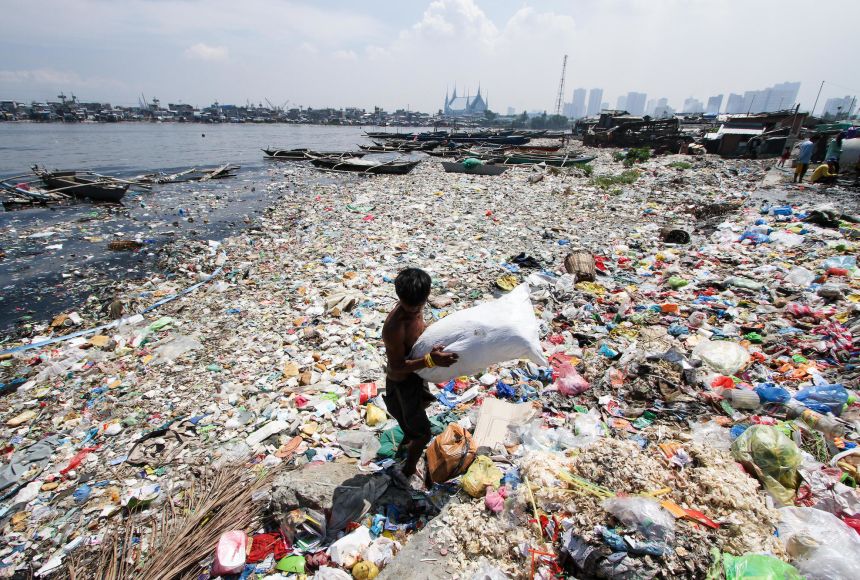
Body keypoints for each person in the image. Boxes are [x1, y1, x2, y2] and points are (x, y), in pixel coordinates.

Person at [382, 267, 458, 488]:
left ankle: (408, 436)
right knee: (423, 433)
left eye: (420, 305)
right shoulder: (394, 327)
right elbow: (396, 365)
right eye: (410, 306)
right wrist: (431, 360)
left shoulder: (416, 308)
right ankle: (407, 470)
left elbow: (419, 331)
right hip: (402, 381)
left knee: (411, 415)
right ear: (400, 298)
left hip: (415, 375)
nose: (416, 310)